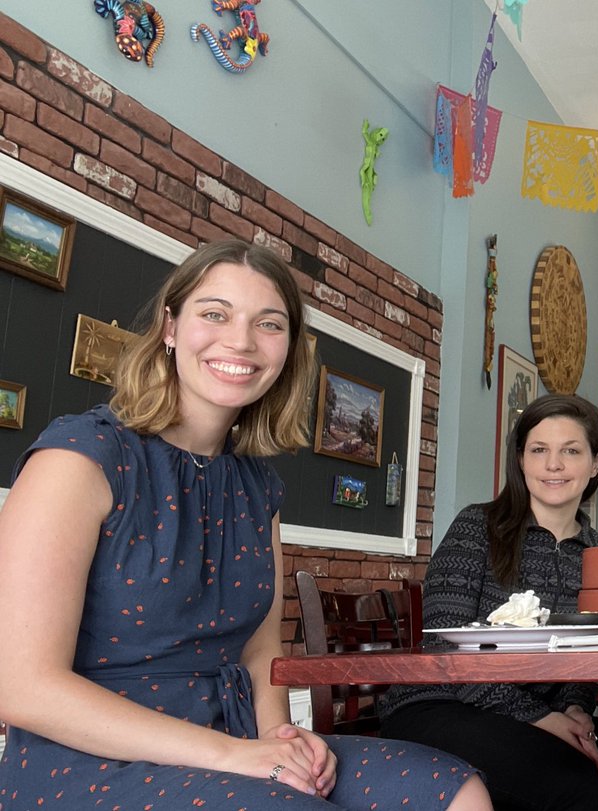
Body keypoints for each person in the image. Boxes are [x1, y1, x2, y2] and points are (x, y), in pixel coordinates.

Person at [0, 240, 491, 810]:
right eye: (214, 313)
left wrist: (280, 745)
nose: (240, 340)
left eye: (269, 323)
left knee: (456, 789)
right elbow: (18, 684)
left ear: (288, 349)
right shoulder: (79, 458)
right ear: (170, 326)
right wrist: (234, 758)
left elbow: (261, 653)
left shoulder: (259, 487)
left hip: (233, 738)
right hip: (88, 761)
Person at [377, 394, 598, 811]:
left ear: (594, 464)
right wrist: (544, 720)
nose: (553, 464)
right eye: (539, 450)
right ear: (521, 460)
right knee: (574, 784)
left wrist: (576, 709)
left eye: (570, 451)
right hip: (438, 704)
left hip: (535, 714)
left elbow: (588, 652)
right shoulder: (477, 526)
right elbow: (444, 645)